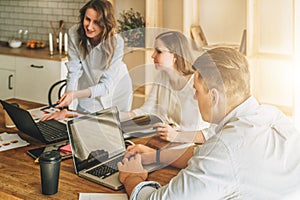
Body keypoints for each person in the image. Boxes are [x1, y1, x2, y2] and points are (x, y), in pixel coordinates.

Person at [117, 47, 300, 199]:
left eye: (196, 90)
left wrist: (132, 178)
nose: (195, 96)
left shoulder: (225, 148)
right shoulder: (272, 114)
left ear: (213, 96)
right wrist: (155, 156)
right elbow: (202, 153)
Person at [42, 0, 132, 121]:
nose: (89, 26)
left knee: (109, 130)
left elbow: (106, 86)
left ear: (105, 24)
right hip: (87, 90)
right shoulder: (75, 33)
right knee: (83, 126)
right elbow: (73, 73)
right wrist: (66, 108)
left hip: (115, 91)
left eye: (96, 22)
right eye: (87, 19)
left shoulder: (116, 43)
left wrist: (74, 94)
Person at [122, 31, 212, 144]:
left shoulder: (198, 82)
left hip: (190, 146)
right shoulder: (162, 76)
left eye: (159, 51)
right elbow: (147, 109)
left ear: (175, 56)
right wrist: (121, 117)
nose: (153, 55)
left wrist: (177, 136)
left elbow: (212, 132)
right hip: (168, 141)